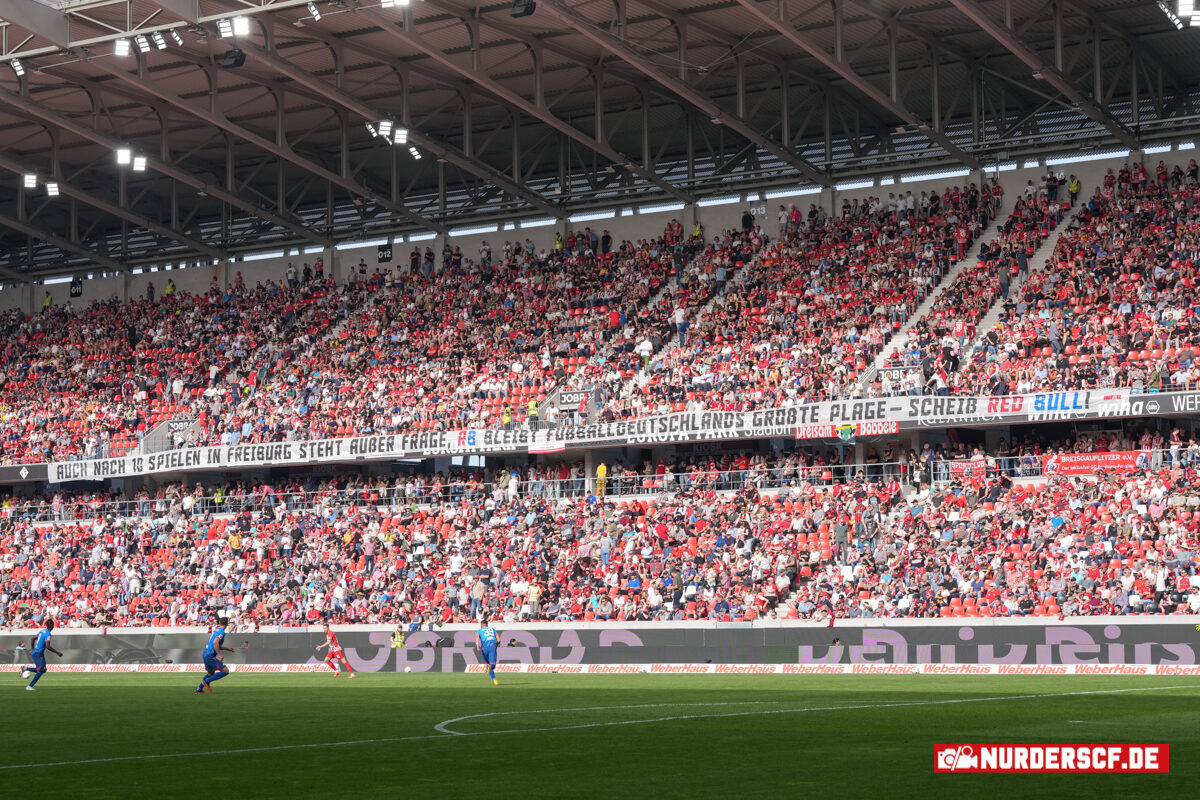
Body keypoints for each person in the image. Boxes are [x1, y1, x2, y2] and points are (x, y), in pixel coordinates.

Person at [21, 617, 62, 691]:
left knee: (43, 670)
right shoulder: (48, 634)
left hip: (37, 652)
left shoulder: (42, 631)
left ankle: (26, 668)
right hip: (38, 653)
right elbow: (47, 646)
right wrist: (57, 652)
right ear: (52, 626)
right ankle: (29, 686)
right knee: (41, 670)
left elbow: (32, 639)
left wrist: (32, 649)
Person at [195, 619, 236, 694]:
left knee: (211, 673)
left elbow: (216, 645)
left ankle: (199, 689)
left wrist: (228, 649)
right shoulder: (221, 632)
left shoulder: (216, 630)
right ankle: (207, 681)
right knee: (225, 671)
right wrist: (220, 654)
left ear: (219, 623)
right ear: (227, 624)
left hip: (206, 654)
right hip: (210, 656)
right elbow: (215, 643)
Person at [475, 613, 500, 686]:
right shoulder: (493, 630)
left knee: (488, 664)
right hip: (492, 647)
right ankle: (490, 671)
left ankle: (494, 679)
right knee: (492, 665)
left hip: (484, 648)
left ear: (482, 625)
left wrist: (477, 646)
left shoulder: (478, 631)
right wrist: (496, 645)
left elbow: (477, 639)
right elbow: (498, 640)